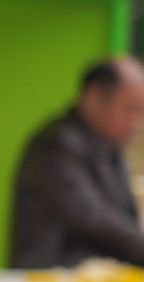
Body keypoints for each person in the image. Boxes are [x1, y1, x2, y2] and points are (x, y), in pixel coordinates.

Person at [9, 56, 144, 268]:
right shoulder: (56, 144)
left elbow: (125, 216)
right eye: (131, 108)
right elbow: (93, 217)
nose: (137, 121)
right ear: (93, 97)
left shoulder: (111, 148)